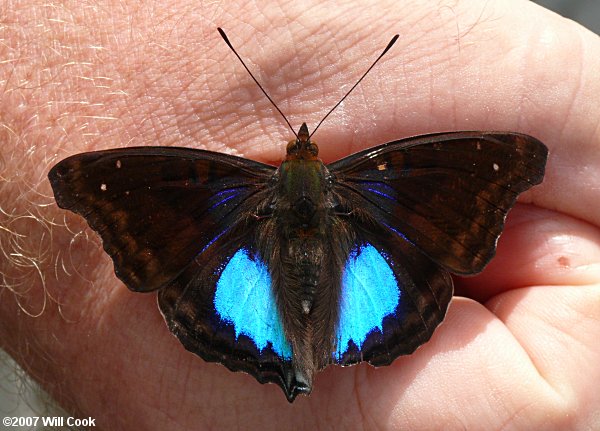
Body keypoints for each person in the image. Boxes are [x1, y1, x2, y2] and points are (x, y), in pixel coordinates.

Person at [1, 1, 599, 429]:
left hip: (249, 263)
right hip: (363, 264)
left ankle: (294, 353)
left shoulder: (211, 185)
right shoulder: (398, 175)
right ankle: (299, 352)